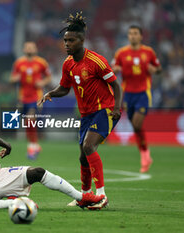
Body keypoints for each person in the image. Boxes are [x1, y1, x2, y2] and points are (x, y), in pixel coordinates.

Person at [38, 12, 122, 209]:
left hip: (105, 110)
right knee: (83, 156)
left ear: (82, 40)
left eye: (71, 40)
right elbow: (65, 88)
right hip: (85, 114)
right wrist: (50, 93)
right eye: (65, 40)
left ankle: (101, 195)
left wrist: (117, 107)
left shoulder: (96, 61)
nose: (66, 44)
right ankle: (85, 195)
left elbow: (116, 86)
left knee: (88, 147)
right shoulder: (68, 63)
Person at [111, 25, 161, 173]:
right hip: (127, 94)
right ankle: (145, 152)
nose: (132, 36)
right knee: (135, 126)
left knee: (137, 124)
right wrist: (116, 69)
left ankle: (144, 154)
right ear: (128, 36)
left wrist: (154, 70)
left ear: (141, 36)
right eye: (130, 33)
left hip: (143, 93)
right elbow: (112, 68)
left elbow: (159, 68)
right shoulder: (121, 53)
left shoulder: (148, 52)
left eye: (135, 33)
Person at [10, 41, 51, 160]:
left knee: (30, 118)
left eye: (31, 47)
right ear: (24, 49)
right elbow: (12, 78)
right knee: (28, 123)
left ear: (35, 49)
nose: (29, 49)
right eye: (27, 47)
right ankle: (34, 145)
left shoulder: (41, 62)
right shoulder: (19, 63)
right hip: (23, 97)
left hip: (36, 96)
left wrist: (42, 82)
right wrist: (15, 78)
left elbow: (48, 77)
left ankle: (32, 145)